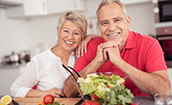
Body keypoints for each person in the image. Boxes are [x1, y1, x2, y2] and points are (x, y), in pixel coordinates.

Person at [63, 0, 171, 98]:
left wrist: (119, 62)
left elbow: (164, 91)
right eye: (105, 23)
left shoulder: (149, 44)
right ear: (99, 27)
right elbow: (68, 92)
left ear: (127, 21)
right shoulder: (90, 46)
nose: (111, 28)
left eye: (117, 20)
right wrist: (96, 62)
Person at [10, 10, 100, 98]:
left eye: (76, 33)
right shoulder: (39, 61)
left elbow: (108, 37)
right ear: (58, 31)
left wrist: (90, 36)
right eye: (66, 31)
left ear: (82, 36)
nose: (70, 37)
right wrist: (44, 93)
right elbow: (14, 89)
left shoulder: (84, 54)